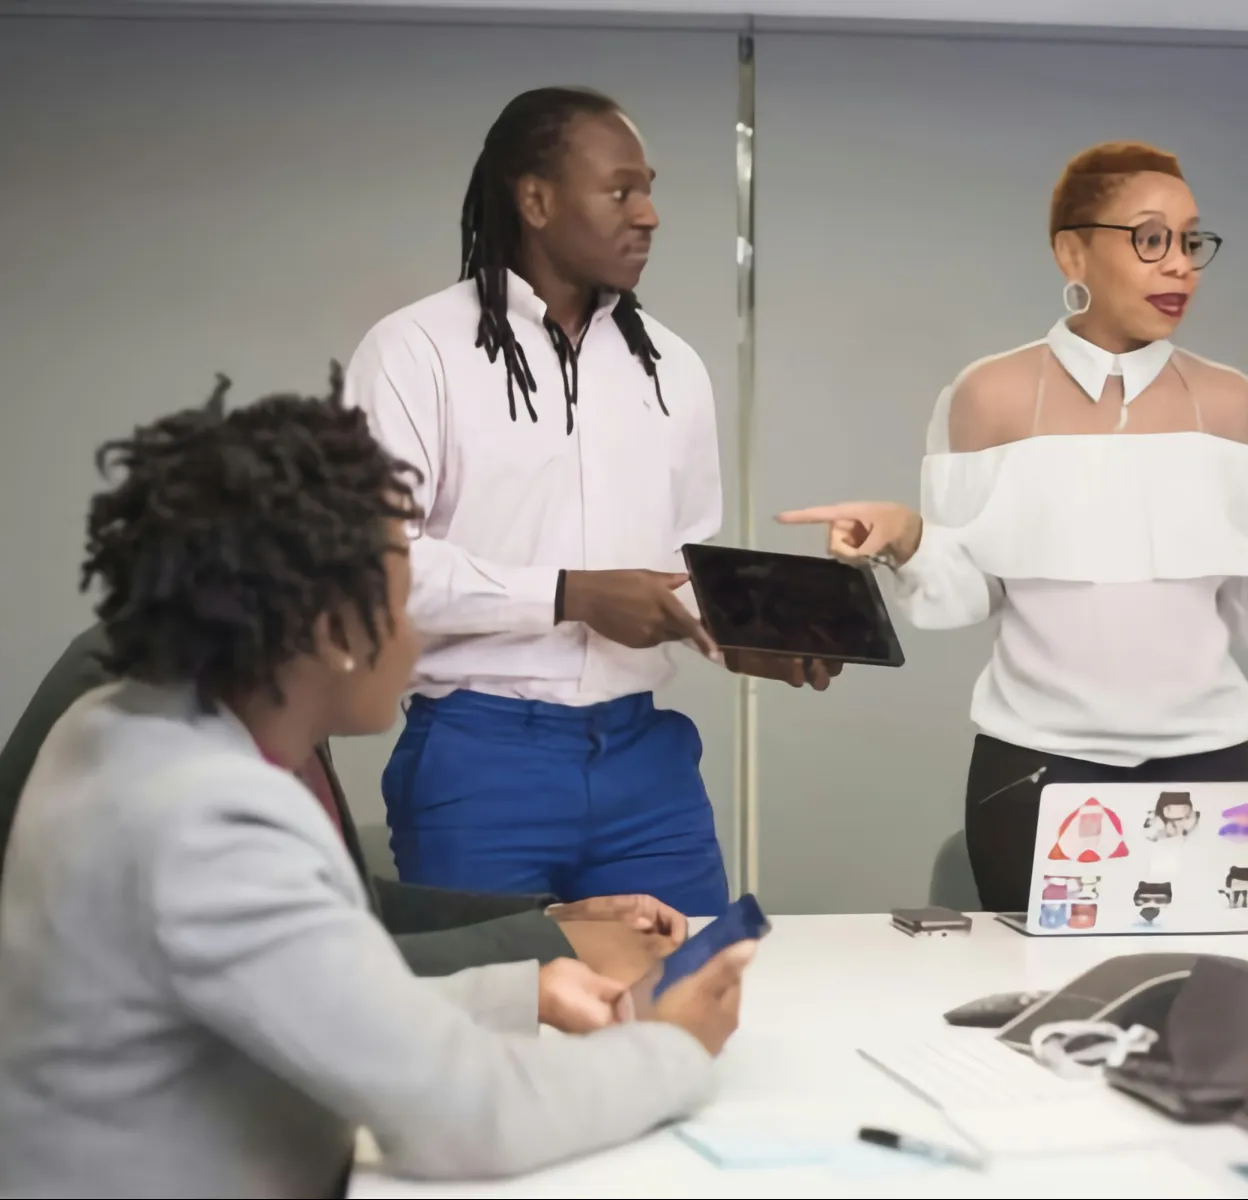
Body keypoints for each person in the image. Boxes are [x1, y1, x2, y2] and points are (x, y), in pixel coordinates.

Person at [0, 379, 755, 1197]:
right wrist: (676, 1049)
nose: (425, 625)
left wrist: (516, 987)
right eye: (408, 596)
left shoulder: (121, 726)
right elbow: (466, 1117)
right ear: (331, 633)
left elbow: (306, 989)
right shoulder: (203, 816)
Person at [781, 141, 1248, 912]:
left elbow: (1243, 599)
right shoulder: (990, 394)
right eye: (1149, 238)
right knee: (1039, 1005)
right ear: (1071, 250)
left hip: (1208, 763)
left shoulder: (1234, 402)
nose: (1179, 265)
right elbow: (967, 592)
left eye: (1191, 241)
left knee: (1201, 1002)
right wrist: (907, 534)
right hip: (1036, 763)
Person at [346, 87, 834, 917]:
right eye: (620, 191)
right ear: (534, 200)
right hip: (478, 754)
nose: (648, 214)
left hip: (646, 762)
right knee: (490, 1017)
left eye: (649, 189)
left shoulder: (671, 366)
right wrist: (570, 595)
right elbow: (373, 570)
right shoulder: (413, 350)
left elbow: (679, 570)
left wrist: (747, 638)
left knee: (687, 1004)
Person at [0, 625, 689, 982]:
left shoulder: (266, 693)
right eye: (402, 600)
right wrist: (555, 947)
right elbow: (307, 969)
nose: (423, 639)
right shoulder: (166, 721)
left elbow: (349, 907)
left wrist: (555, 916)